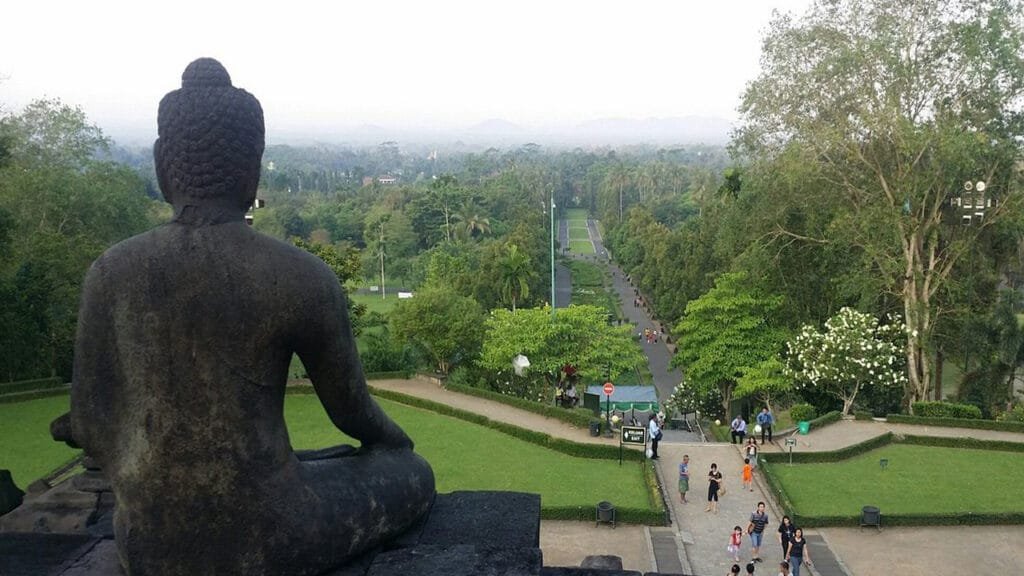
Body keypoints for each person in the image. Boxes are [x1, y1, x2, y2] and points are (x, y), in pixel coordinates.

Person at [68, 59, 434, 576]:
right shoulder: (298, 275)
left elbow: (89, 418)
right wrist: (395, 443)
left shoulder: (111, 272)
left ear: (160, 165)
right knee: (412, 472)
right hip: (271, 531)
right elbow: (352, 412)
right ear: (252, 169)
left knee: (318, 460)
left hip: (148, 539)